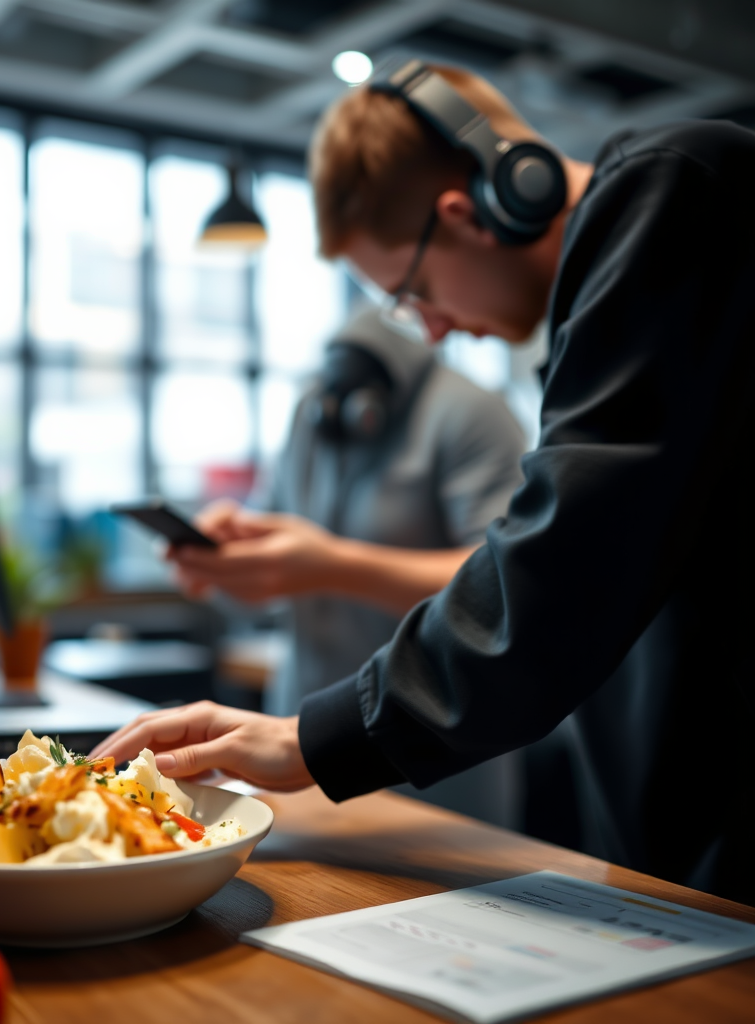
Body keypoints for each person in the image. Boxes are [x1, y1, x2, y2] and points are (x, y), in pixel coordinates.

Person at [95, 62, 755, 904]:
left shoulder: (671, 192)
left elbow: (562, 571)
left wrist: (313, 740)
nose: (433, 329)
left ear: (466, 214)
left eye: (412, 293)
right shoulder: (613, 287)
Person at [178, 305, 525, 723]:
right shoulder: (312, 408)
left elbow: (503, 586)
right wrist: (224, 565)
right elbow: (270, 582)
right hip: (299, 719)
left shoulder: (472, 413)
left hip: (427, 733)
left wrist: (331, 567)